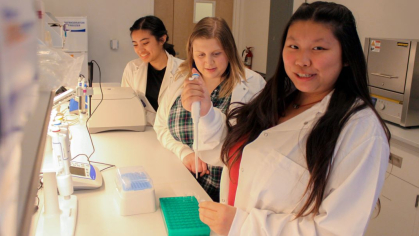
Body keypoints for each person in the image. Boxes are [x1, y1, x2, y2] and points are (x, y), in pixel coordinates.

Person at [192, 2, 391, 235]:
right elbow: (229, 153)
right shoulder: (277, 99)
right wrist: (205, 112)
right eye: (293, 46)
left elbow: (335, 230)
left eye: (318, 48)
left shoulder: (360, 130)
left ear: (346, 56)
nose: (302, 60)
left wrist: (242, 225)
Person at [154, 17, 266, 202]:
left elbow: (250, 147)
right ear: (191, 53)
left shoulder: (253, 86)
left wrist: (208, 113)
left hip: (222, 193)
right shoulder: (181, 78)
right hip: (179, 182)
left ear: (229, 52)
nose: (208, 62)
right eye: (201, 55)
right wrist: (185, 153)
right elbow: (161, 127)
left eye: (216, 53)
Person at [121, 16, 183, 125]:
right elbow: (127, 105)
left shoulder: (182, 70)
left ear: (162, 39)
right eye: (135, 44)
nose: (140, 50)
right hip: (142, 130)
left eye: (145, 43)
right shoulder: (132, 68)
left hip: (172, 134)